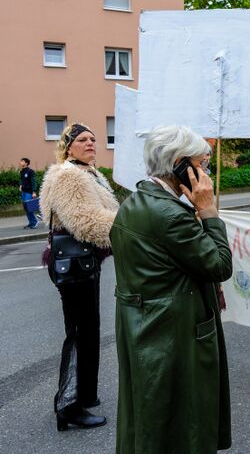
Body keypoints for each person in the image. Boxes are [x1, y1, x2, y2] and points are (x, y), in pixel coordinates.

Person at [111, 125, 232, 453]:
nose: (206, 173)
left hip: (147, 329)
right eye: (202, 165)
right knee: (182, 423)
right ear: (181, 164)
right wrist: (208, 212)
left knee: (152, 417)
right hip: (173, 336)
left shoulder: (136, 201)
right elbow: (220, 265)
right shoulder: (170, 214)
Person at [39, 123, 120, 431]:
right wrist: (131, 229)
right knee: (79, 332)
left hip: (83, 263)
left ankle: (85, 394)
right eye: (82, 140)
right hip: (74, 264)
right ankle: (69, 406)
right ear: (68, 146)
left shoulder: (88, 174)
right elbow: (87, 223)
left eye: (93, 139)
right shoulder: (68, 176)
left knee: (88, 330)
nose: (91, 144)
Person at [19, 157, 40, 229]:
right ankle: (30, 223)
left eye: (22, 161)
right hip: (24, 192)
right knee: (26, 209)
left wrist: (34, 192)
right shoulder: (22, 171)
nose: (20, 162)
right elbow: (21, 180)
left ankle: (34, 222)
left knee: (29, 208)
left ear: (26, 163)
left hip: (29, 192)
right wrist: (20, 185)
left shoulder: (31, 171)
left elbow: (33, 182)